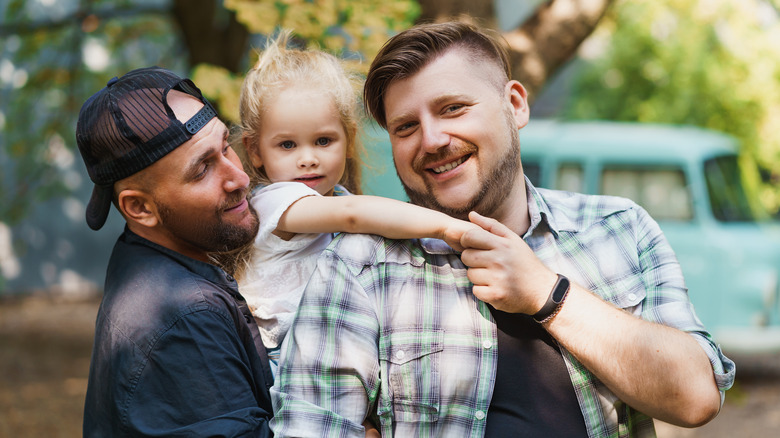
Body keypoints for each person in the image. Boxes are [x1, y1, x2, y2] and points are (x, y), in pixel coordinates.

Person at [270, 22, 736, 437]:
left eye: (452, 108)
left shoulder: (618, 229)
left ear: (515, 105)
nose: (431, 140)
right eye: (406, 126)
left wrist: (547, 294)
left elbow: (696, 398)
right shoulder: (359, 266)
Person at [233, 31, 479, 375]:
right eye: (287, 145)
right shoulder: (276, 202)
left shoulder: (337, 200)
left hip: (329, 347)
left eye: (323, 140)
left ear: (348, 140)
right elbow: (352, 216)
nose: (307, 159)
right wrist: (447, 226)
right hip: (278, 363)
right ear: (256, 151)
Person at [77, 67, 273, 437]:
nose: (240, 178)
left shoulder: (140, 259)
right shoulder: (184, 315)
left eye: (226, 146)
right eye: (202, 169)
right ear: (140, 209)